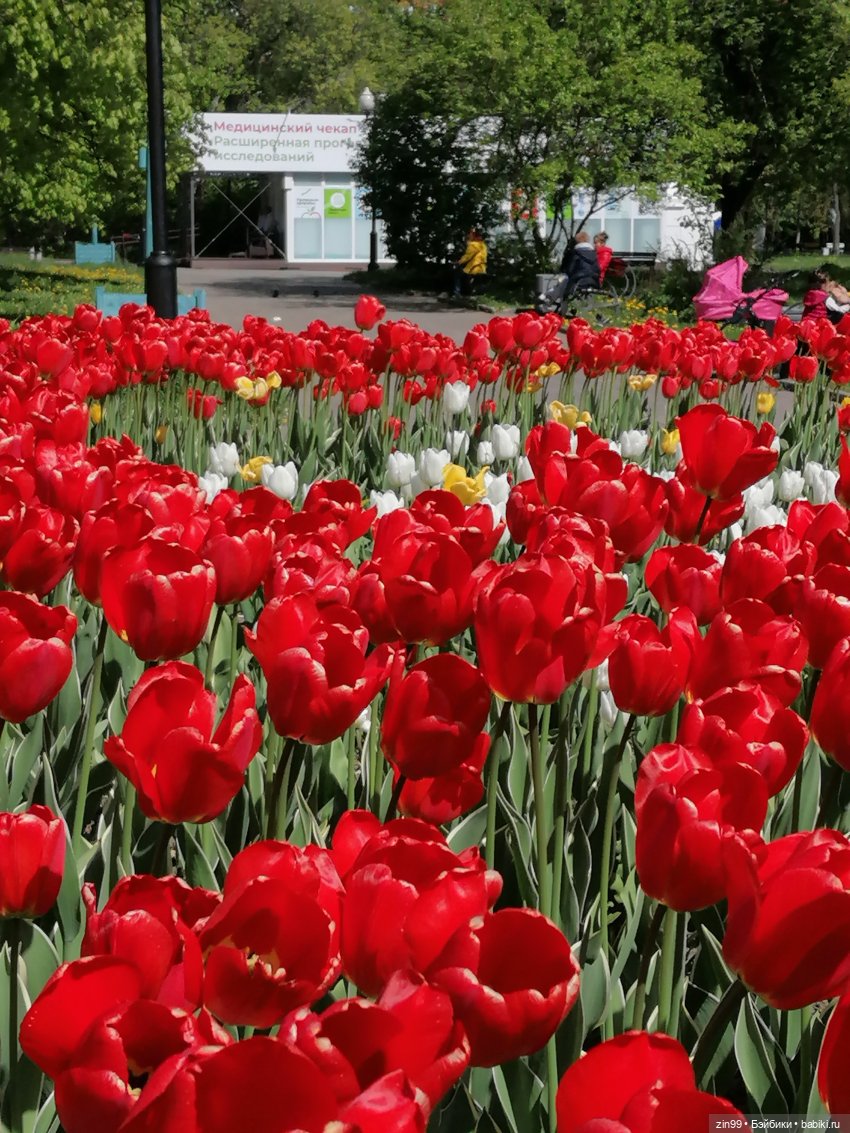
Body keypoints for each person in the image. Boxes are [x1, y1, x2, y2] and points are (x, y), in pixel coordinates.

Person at [452, 229, 488, 297]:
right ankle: (476, 294)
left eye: (471, 235)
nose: (469, 236)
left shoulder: (473, 244)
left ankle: (457, 293)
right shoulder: (483, 245)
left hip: (473, 266)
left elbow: (468, 256)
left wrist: (459, 262)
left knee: (457, 274)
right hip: (481, 267)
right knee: (475, 281)